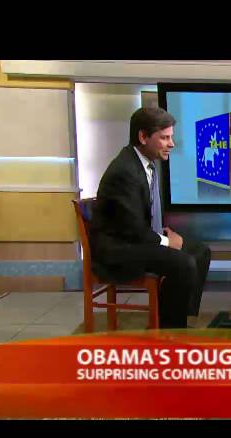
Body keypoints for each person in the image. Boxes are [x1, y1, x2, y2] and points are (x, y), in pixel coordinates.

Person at [90, 107, 211, 328]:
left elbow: (139, 219)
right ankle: (169, 331)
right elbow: (132, 229)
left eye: (171, 137)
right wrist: (166, 242)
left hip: (136, 239)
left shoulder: (145, 164)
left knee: (200, 252)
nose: (171, 144)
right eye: (164, 138)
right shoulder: (124, 171)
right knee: (183, 263)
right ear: (143, 137)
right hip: (118, 251)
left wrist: (163, 235)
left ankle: (177, 318)